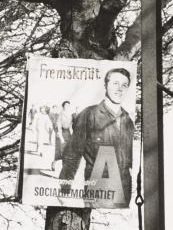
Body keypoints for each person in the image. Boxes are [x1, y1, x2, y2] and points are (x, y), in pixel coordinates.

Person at [58, 68, 135, 199]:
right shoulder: (89, 114)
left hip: (123, 192)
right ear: (106, 85)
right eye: (115, 83)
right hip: (97, 189)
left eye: (124, 85)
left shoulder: (128, 121)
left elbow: (128, 161)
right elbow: (73, 153)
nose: (120, 88)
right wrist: (64, 188)